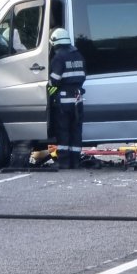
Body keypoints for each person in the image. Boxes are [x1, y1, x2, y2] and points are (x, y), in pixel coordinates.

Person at [47, 28, 86, 169]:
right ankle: (75, 161)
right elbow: (83, 77)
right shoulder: (78, 56)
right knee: (76, 131)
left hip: (63, 101)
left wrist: (49, 93)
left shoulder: (58, 58)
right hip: (78, 99)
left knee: (63, 131)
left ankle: (63, 162)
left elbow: (54, 81)